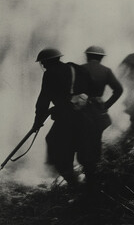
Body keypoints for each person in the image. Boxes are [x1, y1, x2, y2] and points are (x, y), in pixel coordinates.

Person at [32, 48, 92, 187]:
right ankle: (79, 180)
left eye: (43, 62)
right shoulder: (75, 68)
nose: (43, 65)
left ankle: (73, 184)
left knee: (53, 141)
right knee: (74, 147)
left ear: (47, 62)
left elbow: (43, 100)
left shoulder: (50, 74)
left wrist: (38, 121)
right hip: (84, 114)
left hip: (66, 116)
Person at [80, 46, 123, 182]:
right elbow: (119, 90)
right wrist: (106, 105)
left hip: (81, 110)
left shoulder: (78, 69)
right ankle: (93, 173)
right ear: (101, 57)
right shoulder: (106, 71)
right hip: (98, 110)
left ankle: (87, 172)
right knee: (95, 140)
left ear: (87, 56)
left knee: (81, 139)